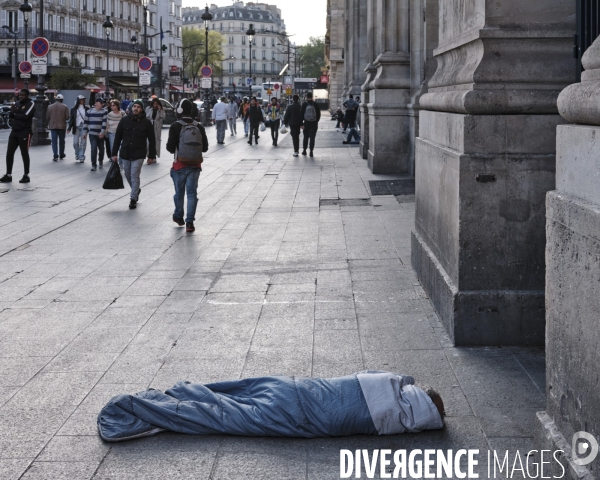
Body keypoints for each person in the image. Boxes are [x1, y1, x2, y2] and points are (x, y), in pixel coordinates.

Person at [98, 371, 445, 442]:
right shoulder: (402, 419)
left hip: (290, 386)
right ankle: (136, 406)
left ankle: (179, 391)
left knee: (227, 392)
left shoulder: (387, 380)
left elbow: (374, 376)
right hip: (297, 416)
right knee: (217, 415)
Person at [166, 99, 209, 233]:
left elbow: (170, 148)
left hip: (179, 165)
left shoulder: (175, 126)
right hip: (195, 165)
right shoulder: (199, 126)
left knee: (179, 194)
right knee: (192, 194)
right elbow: (205, 148)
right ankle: (190, 222)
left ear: (179, 110)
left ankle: (179, 216)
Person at [111, 100, 156, 210]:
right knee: (127, 174)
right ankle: (136, 190)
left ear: (141, 109)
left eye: (138, 107)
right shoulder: (124, 120)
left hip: (139, 153)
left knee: (134, 174)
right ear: (131, 108)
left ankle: (133, 198)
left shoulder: (146, 122)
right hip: (125, 152)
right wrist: (114, 153)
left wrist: (151, 156)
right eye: (134, 106)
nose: (136, 109)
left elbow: (152, 140)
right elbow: (117, 138)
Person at [0, 89, 35, 184]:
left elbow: (26, 116)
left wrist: (16, 114)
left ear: (27, 95)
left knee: (24, 153)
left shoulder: (31, 103)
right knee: (9, 153)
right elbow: (11, 116)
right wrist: (13, 111)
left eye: (23, 95)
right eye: (20, 95)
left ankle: (26, 175)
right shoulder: (17, 103)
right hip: (14, 131)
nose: (21, 97)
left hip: (25, 132)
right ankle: (8, 174)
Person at [83, 98, 108, 171]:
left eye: (103, 103)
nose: (103, 104)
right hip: (92, 134)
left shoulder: (104, 111)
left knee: (101, 149)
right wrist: (84, 132)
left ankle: (100, 161)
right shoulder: (89, 111)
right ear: (96, 103)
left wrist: (102, 132)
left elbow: (104, 123)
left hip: (100, 134)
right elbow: (86, 122)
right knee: (93, 149)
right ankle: (93, 164)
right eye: (101, 103)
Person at [46, 93, 70, 162]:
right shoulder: (65, 107)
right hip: (62, 126)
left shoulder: (49, 107)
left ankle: (55, 155)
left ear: (56, 99)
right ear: (62, 100)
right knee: (62, 141)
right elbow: (67, 117)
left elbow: (47, 117)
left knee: (54, 141)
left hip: (53, 126)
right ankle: (61, 154)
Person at [105, 100, 126, 169]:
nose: (112, 106)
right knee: (113, 148)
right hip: (112, 133)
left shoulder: (122, 114)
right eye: (111, 105)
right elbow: (107, 125)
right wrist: (105, 133)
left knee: (121, 148)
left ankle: (121, 163)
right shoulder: (109, 115)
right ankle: (114, 163)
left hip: (121, 134)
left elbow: (126, 123)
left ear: (117, 106)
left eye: (113, 105)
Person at [67, 95, 89, 163]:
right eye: (81, 99)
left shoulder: (87, 108)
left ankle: (81, 156)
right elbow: (72, 119)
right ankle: (77, 153)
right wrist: (69, 128)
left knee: (83, 142)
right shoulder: (73, 109)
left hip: (84, 127)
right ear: (78, 100)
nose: (82, 101)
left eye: (83, 99)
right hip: (76, 127)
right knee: (75, 143)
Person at [300, 92, 321, 157]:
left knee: (305, 137)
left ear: (306, 97)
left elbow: (301, 114)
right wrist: (316, 121)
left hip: (306, 123)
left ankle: (304, 150)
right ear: (312, 97)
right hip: (314, 123)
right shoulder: (315, 104)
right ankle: (311, 151)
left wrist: (302, 123)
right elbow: (318, 114)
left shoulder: (304, 104)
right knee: (312, 138)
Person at [145, 98, 165, 164]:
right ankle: (149, 156)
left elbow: (163, 117)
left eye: (156, 104)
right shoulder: (148, 108)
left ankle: (154, 156)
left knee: (156, 141)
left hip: (157, 127)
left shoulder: (161, 110)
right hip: (150, 125)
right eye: (154, 104)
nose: (155, 105)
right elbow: (146, 116)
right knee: (149, 141)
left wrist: (159, 110)